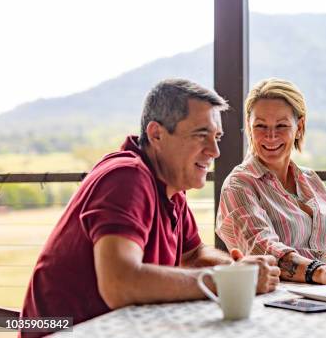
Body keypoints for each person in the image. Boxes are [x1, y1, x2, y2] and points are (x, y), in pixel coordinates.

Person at [20, 79, 280, 337]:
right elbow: (120, 284)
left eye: (217, 137)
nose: (215, 151)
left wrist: (242, 270)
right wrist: (226, 281)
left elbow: (194, 255)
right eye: (201, 135)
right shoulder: (127, 177)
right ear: (156, 134)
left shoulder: (170, 185)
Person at [216, 78, 326, 285]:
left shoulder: (311, 179)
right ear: (249, 128)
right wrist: (320, 272)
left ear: (299, 126)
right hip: (281, 298)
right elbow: (262, 248)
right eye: (260, 126)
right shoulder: (239, 185)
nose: (271, 136)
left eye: (282, 125)